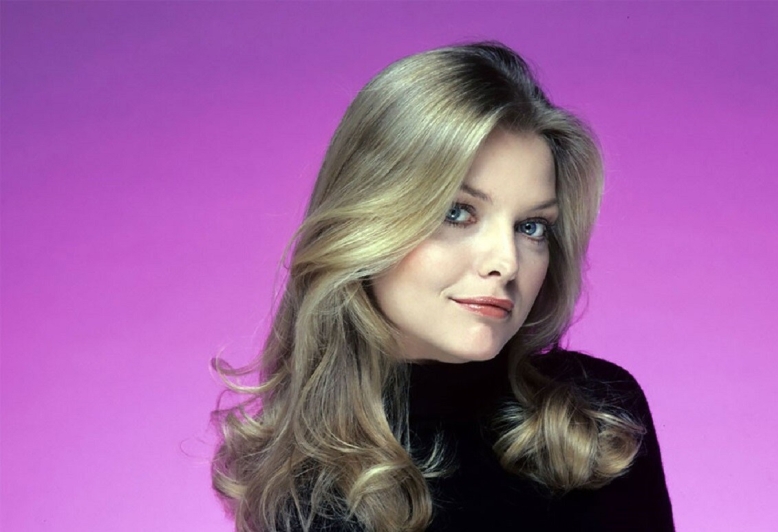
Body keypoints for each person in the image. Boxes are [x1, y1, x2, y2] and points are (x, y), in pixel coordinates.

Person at [212, 42, 674, 532]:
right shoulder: (309, 498)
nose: (505, 262)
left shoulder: (597, 422)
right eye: (457, 213)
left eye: (531, 226)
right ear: (367, 222)